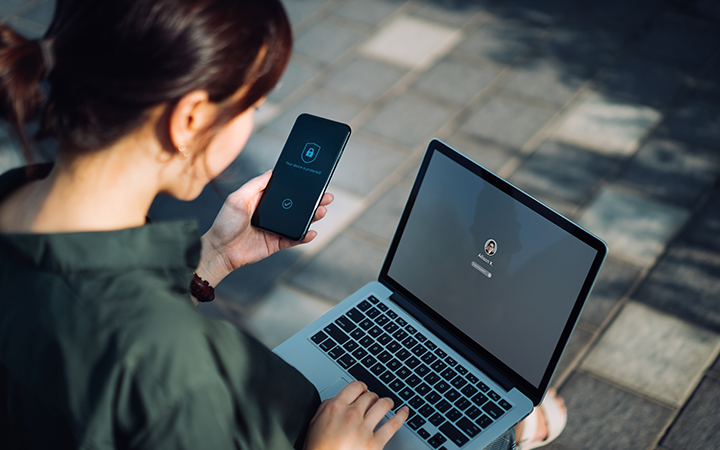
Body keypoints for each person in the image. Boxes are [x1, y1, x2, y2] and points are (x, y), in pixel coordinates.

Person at [0, 0, 564, 449]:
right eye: (251, 104)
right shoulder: (166, 367)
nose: (249, 122)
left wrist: (211, 261)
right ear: (189, 119)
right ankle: (511, 433)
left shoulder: (16, 196)